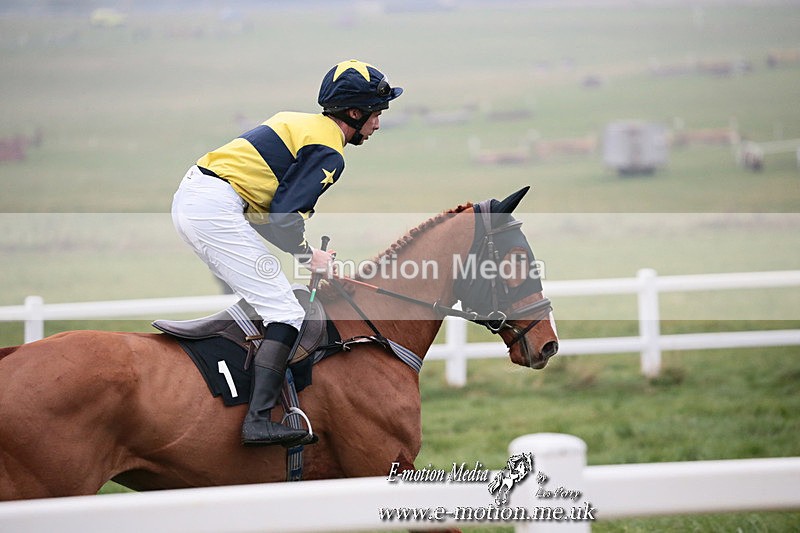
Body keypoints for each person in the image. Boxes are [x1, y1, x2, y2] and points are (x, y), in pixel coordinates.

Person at [171, 59, 402, 447]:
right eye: (376, 114)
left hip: (199, 200)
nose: (378, 124)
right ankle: (257, 420)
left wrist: (305, 253)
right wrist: (310, 257)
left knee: (269, 298)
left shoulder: (302, 123)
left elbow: (269, 216)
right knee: (285, 311)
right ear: (355, 112)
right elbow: (281, 217)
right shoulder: (330, 151)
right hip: (214, 207)